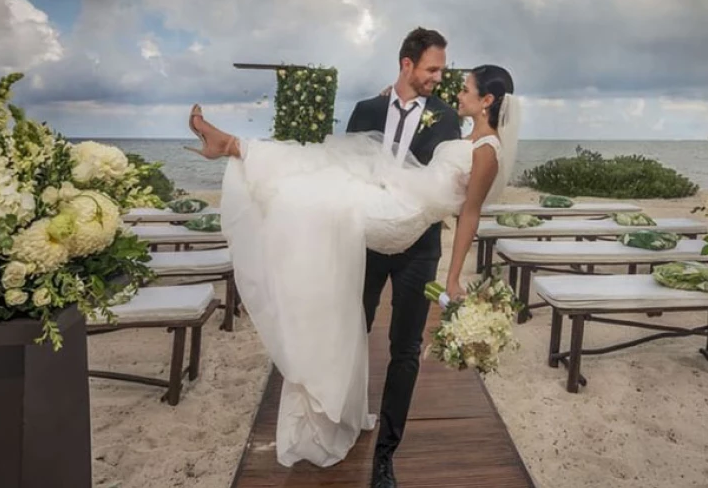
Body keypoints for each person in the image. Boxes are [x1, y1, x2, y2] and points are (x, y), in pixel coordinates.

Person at [185, 32, 517, 488]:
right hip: (366, 234)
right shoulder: (368, 110)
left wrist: (454, 274)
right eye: (433, 70)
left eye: (448, 75)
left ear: (485, 100)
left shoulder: (447, 119)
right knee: (320, 186)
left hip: (415, 242)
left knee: (405, 351)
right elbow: (345, 159)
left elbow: (469, 200)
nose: (442, 80)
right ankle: (344, 412)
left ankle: (386, 456)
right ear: (406, 65)